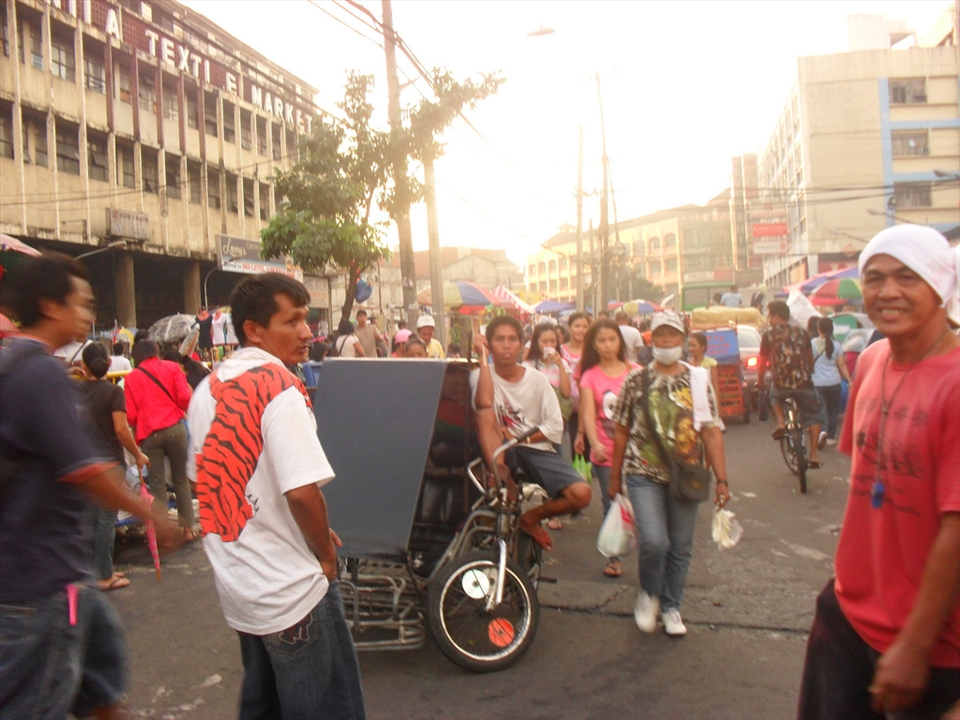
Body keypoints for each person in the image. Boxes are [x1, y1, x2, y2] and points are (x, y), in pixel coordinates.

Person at [0, 253, 177, 719]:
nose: (87, 315)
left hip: (66, 576)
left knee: (103, 692)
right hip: (41, 586)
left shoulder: (24, 364)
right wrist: (154, 514)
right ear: (51, 305)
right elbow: (86, 471)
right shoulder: (39, 372)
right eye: (81, 303)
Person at [797, 224, 960, 720]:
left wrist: (915, 645)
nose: (888, 291)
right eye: (875, 277)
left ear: (941, 285)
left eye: (908, 277)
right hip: (847, 615)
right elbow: (869, 489)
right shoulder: (870, 362)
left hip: (931, 643)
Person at [187, 273, 366, 720]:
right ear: (254, 329)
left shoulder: (206, 388)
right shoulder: (280, 385)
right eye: (293, 321)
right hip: (293, 592)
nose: (307, 333)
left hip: (241, 591)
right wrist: (325, 556)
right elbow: (302, 493)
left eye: (306, 320)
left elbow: (200, 483)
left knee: (263, 707)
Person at [608, 312, 730, 636]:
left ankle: (672, 606)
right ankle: (649, 594)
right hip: (642, 471)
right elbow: (621, 429)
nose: (666, 341)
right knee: (653, 542)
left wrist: (722, 479)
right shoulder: (635, 380)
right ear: (651, 339)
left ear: (683, 339)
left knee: (681, 546)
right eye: (660, 335)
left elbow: (711, 431)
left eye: (672, 335)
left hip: (687, 474)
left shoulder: (698, 380)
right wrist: (614, 476)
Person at [470, 316, 591, 552]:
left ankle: (530, 518)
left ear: (521, 344)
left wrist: (519, 439)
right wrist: (483, 358)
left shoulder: (537, 380)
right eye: (499, 340)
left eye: (512, 339)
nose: (506, 345)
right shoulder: (481, 375)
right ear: (489, 344)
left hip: (533, 449)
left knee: (581, 493)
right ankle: (502, 480)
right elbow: (483, 405)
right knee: (485, 416)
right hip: (499, 453)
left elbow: (555, 426)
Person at [80, 342, 151, 591]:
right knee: (106, 520)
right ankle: (104, 575)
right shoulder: (113, 393)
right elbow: (121, 429)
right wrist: (138, 455)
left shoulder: (76, 390)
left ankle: (95, 570)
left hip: (85, 463)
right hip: (110, 462)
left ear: (84, 366)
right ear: (109, 364)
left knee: (90, 519)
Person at [576, 318, 638, 578]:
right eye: (602, 340)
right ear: (594, 345)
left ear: (620, 342)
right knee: (612, 502)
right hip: (605, 449)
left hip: (638, 452)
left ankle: (648, 550)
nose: (608, 345)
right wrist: (594, 442)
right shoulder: (589, 376)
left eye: (612, 339)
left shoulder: (636, 371)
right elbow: (589, 414)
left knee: (641, 502)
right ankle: (615, 556)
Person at [125, 339, 198, 539]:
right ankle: (188, 529)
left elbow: (131, 415)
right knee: (181, 479)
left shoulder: (131, 378)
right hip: (175, 429)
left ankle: (164, 533)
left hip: (150, 434)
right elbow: (184, 398)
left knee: (157, 485)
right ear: (156, 351)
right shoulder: (172, 367)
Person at [757, 300, 824, 468]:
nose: (769, 319)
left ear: (776, 316)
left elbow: (762, 363)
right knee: (814, 416)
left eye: (769, 315)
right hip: (803, 383)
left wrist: (760, 381)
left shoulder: (769, 336)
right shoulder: (802, 333)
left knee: (773, 395)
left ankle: (781, 422)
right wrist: (809, 371)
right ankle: (814, 455)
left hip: (781, 384)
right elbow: (809, 356)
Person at [523, 323, 574, 511]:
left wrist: (560, 365)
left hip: (559, 420)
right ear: (536, 342)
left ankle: (559, 505)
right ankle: (543, 505)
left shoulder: (563, 364)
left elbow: (566, 393)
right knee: (540, 464)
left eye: (553, 341)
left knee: (561, 461)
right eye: (545, 341)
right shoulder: (528, 365)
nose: (549, 345)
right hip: (537, 422)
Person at [811, 317, 851, 447]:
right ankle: (831, 437)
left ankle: (823, 430)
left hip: (818, 382)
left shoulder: (812, 343)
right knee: (833, 410)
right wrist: (849, 380)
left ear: (819, 329)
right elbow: (842, 364)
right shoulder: (837, 345)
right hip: (834, 382)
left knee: (821, 408)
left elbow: (807, 362)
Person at [561, 311, 590, 459]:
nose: (581, 330)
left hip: (589, 405)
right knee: (570, 447)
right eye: (577, 326)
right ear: (569, 327)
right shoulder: (560, 350)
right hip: (566, 406)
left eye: (585, 326)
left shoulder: (592, 351)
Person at [688, 332, 720, 403]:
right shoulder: (687, 364)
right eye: (689, 345)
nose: (690, 348)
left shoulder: (710, 364)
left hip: (707, 403)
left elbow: (715, 388)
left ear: (702, 347)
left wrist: (717, 406)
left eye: (693, 346)